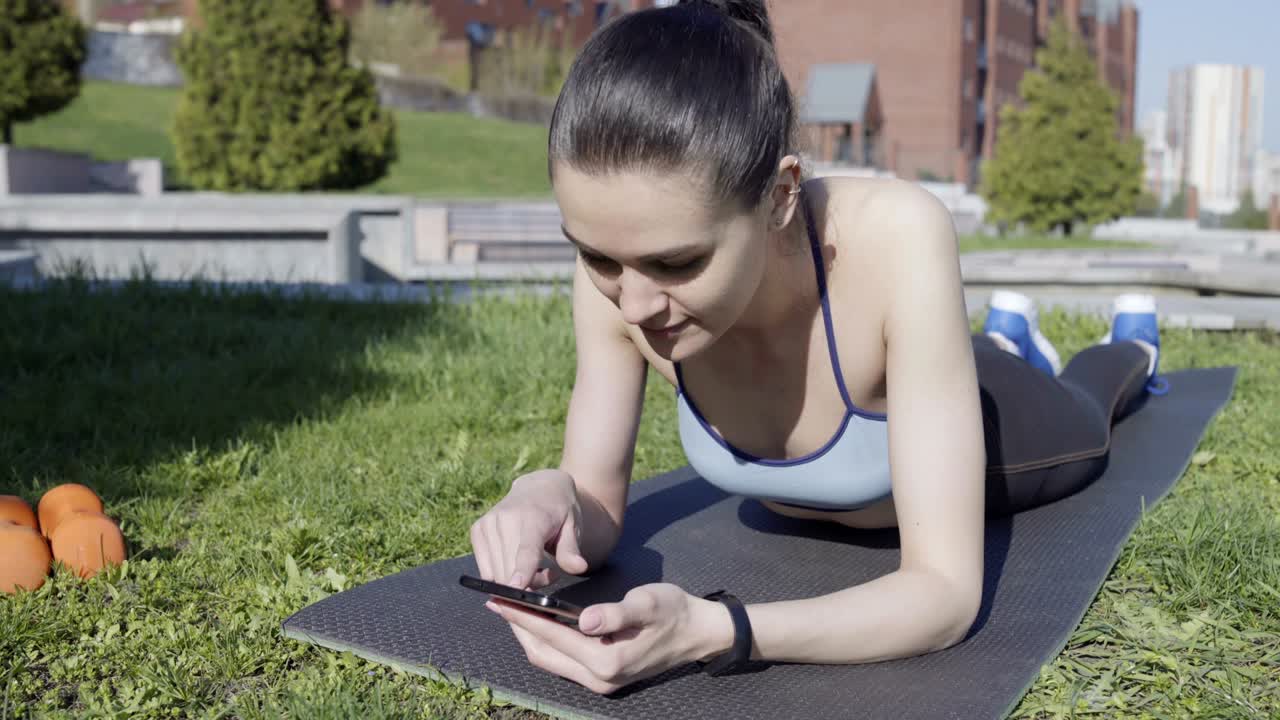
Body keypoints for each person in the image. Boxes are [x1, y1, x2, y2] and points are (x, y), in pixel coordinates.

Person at [468, 0, 1166, 695]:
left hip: (1003, 423)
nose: (635, 302)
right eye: (597, 257)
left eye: (679, 264)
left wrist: (718, 630)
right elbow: (594, 515)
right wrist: (547, 495)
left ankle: (1129, 343)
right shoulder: (619, 272)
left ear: (779, 194)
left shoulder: (897, 234)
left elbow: (944, 594)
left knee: (1091, 401)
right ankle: (1008, 331)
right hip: (922, 379)